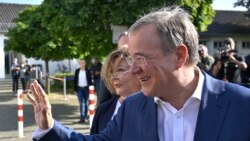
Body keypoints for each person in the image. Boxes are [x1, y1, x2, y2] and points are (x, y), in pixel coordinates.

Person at [28, 6, 250, 141]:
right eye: (132, 59)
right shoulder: (132, 107)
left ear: (179, 56)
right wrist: (49, 127)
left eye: (141, 58)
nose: (133, 69)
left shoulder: (242, 106)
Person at [90, 48, 141, 134]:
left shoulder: (155, 107)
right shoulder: (103, 110)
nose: (113, 77)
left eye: (120, 70)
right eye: (111, 73)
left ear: (137, 70)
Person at [98, 31, 129, 105]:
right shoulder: (108, 68)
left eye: (128, 48)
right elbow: (103, 98)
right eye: (122, 48)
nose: (124, 52)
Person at [74, 59, 92, 123]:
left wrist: (91, 90)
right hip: (79, 89)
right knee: (81, 103)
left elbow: (90, 81)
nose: (82, 64)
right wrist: (75, 90)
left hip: (86, 89)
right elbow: (75, 80)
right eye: (80, 63)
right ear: (79, 64)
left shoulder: (88, 71)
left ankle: (85, 117)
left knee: (86, 104)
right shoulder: (77, 71)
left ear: (85, 64)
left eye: (83, 63)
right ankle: (82, 118)